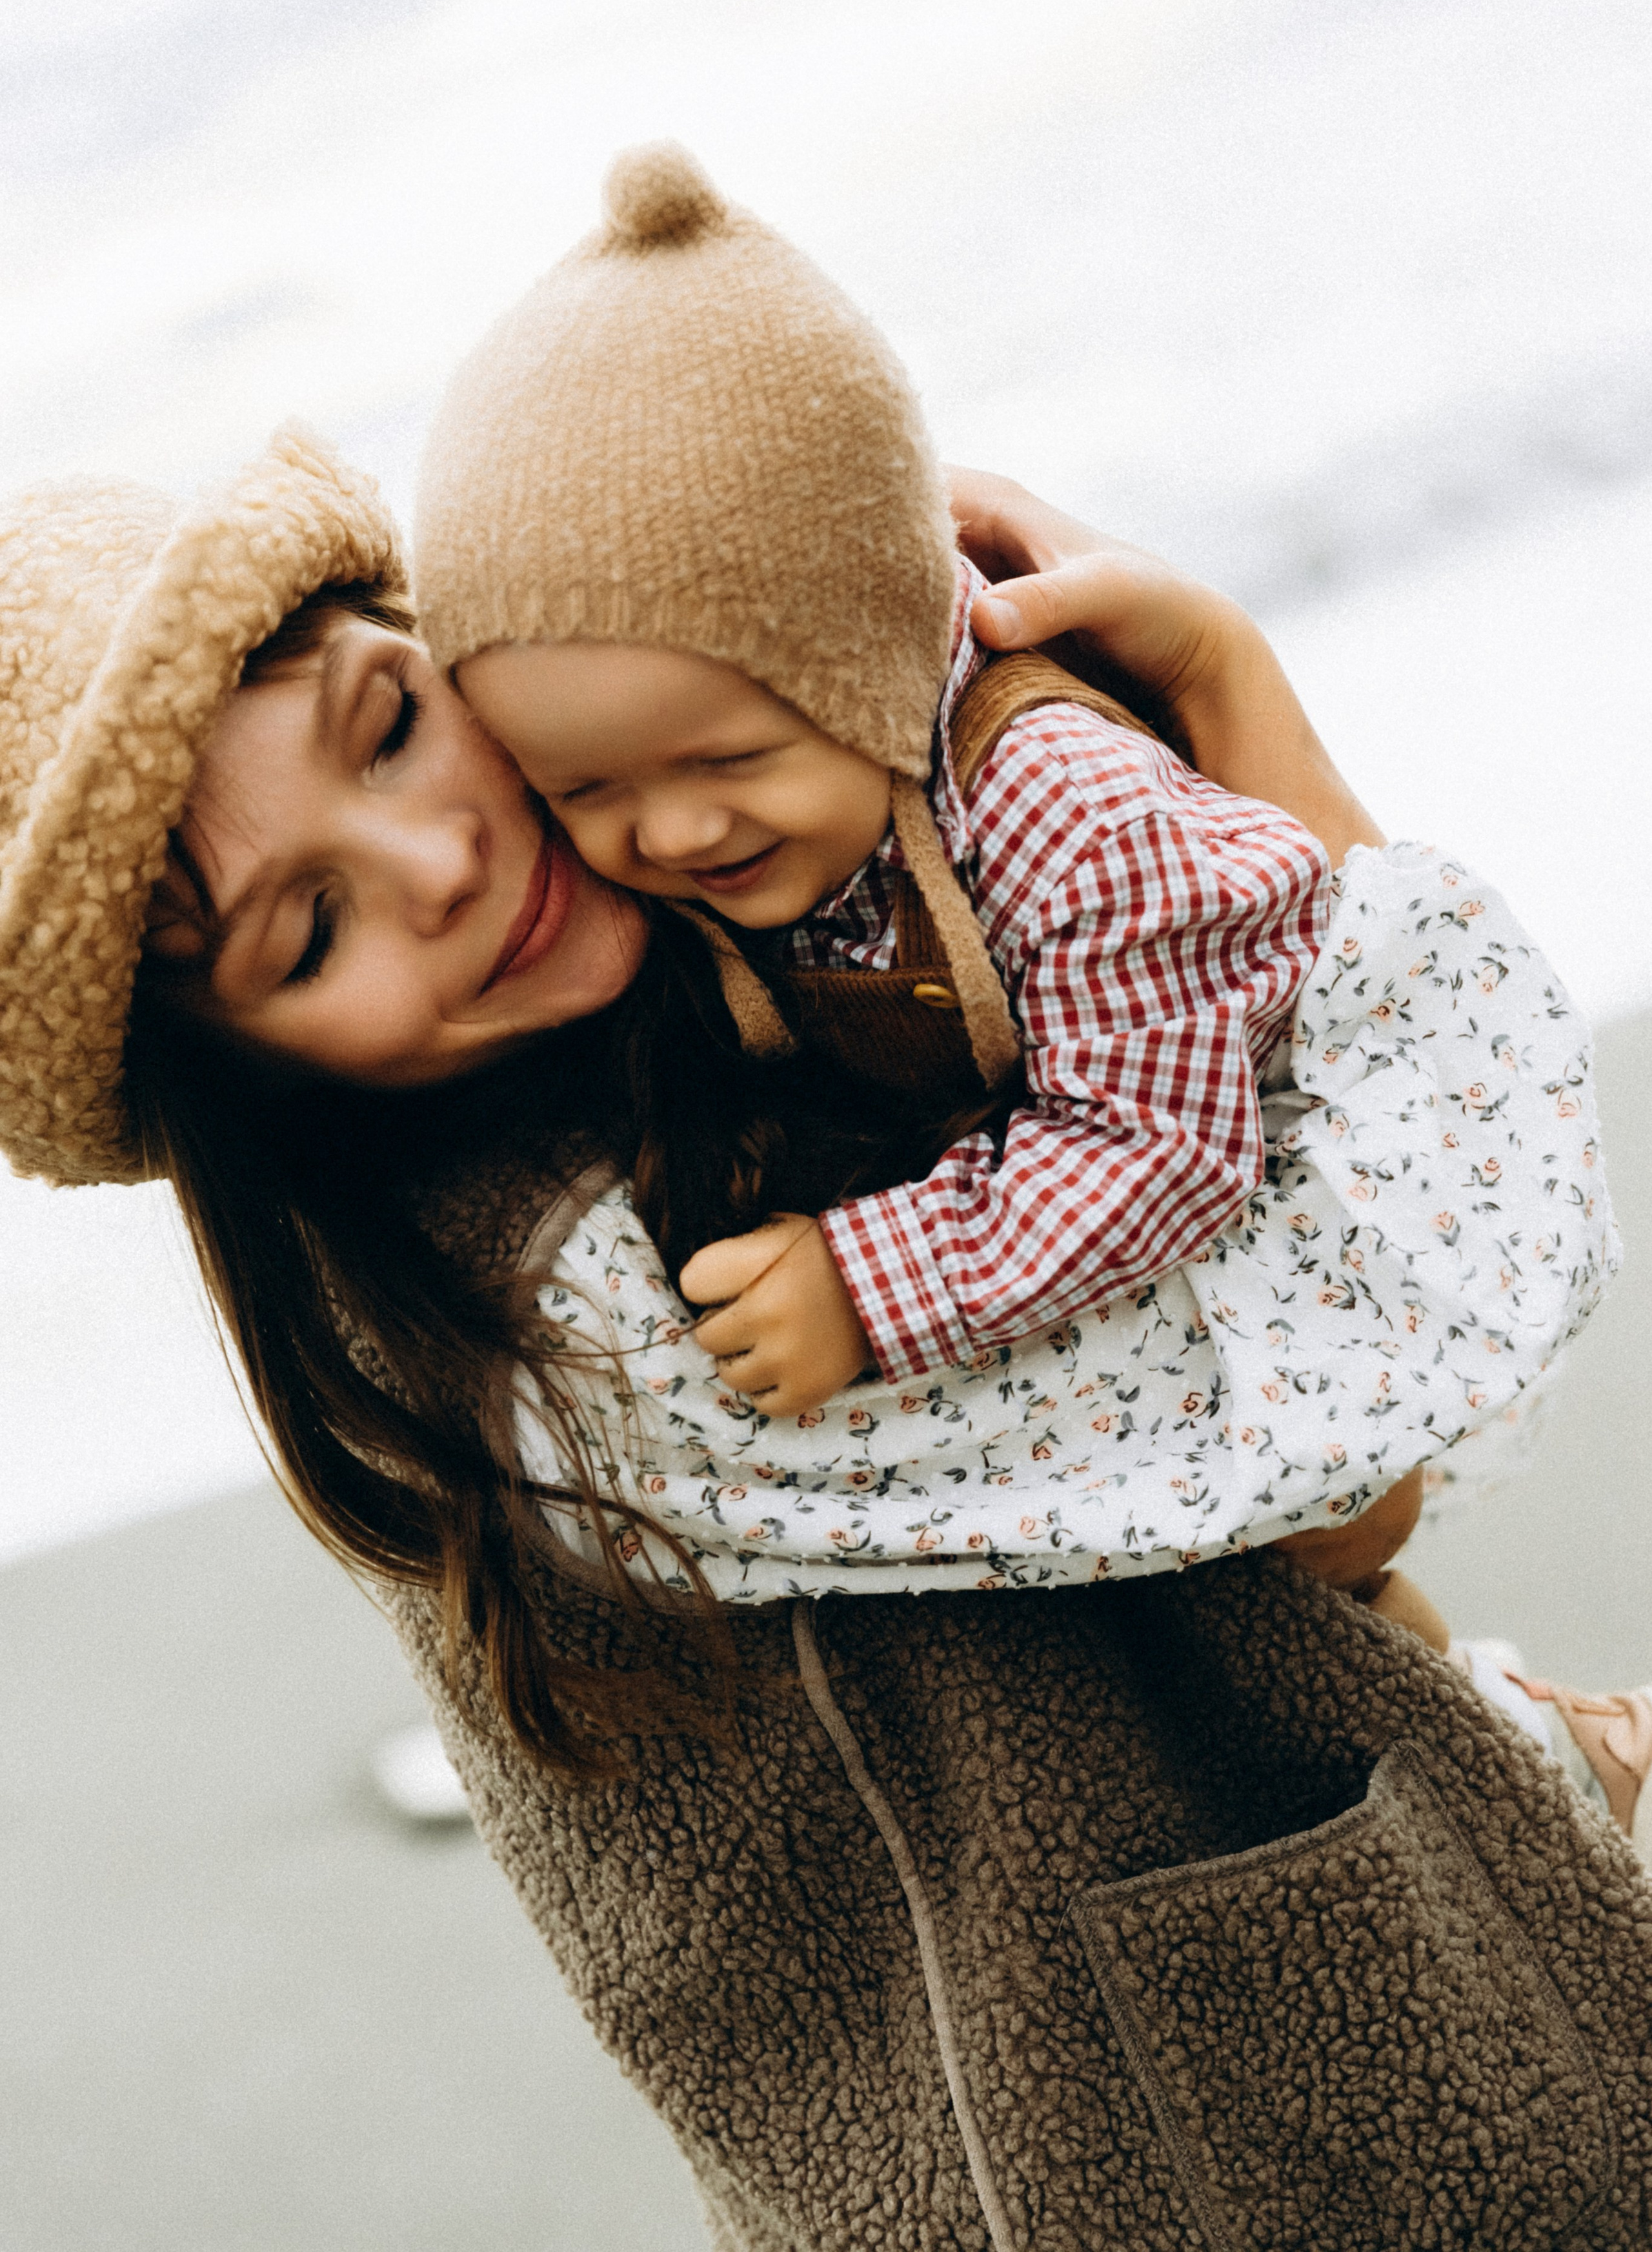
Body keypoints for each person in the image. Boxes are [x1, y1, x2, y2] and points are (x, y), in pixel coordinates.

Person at [2, 429, 1649, 2249]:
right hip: (1177, 2154)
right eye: (307, 931)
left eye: (389, 721)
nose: (438, 857)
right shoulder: (592, 1319)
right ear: (243, 1095)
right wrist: (1232, 698)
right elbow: (1365, 1426)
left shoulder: (724, 1013)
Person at [413, 143, 1613, 1645]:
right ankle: (1522, 1737)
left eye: (725, 755)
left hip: (1280, 1195)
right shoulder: (741, 815)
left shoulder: (1062, 808)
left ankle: (1533, 1747)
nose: (670, 831)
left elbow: (1162, 1150)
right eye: (581, 790)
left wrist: (866, 1284)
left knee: (1328, 1554)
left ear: (878, 661)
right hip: (1069, 1198)